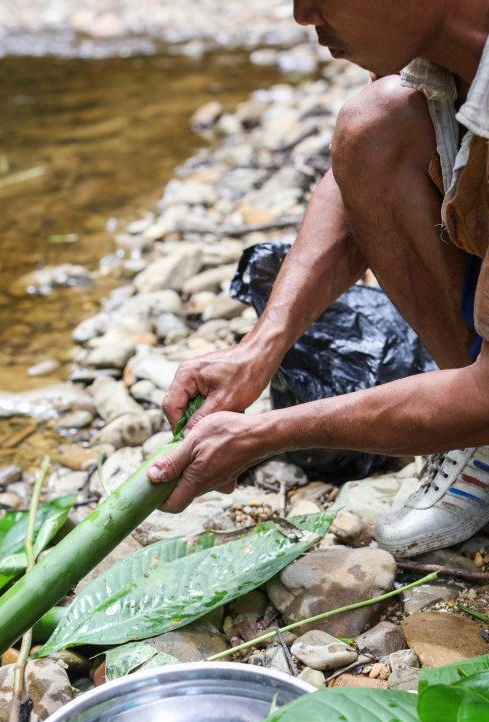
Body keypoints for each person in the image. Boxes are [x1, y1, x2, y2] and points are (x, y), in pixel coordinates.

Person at [147, 0, 489, 558]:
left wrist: (263, 434)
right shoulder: (444, 44)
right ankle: (475, 437)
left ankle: (471, 428)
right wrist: (260, 349)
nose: (304, 16)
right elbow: (360, 170)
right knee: (374, 123)